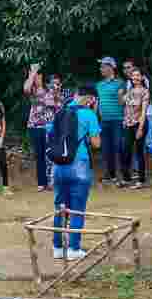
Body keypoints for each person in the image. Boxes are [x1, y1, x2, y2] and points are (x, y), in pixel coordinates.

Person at [47, 89, 103, 261]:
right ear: (91, 99)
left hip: (58, 166)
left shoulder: (60, 111)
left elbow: (50, 134)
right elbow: (96, 144)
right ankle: (73, 248)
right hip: (78, 165)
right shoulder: (88, 114)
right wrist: (93, 115)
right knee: (77, 209)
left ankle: (57, 247)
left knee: (60, 208)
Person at [23, 64, 61, 192]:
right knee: (39, 155)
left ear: (42, 76)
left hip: (49, 127)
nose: (35, 77)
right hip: (34, 126)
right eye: (33, 75)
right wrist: (32, 72)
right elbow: (26, 88)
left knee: (50, 154)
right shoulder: (33, 91)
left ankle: (52, 181)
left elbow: (58, 106)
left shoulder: (50, 90)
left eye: (37, 75)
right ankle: (41, 182)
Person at [96, 57, 125, 185]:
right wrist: (95, 117)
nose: (101, 69)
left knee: (118, 146)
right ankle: (110, 174)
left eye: (103, 66)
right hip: (104, 121)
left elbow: (122, 101)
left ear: (111, 67)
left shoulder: (120, 83)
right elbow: (98, 102)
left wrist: (121, 96)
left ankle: (122, 175)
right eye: (101, 66)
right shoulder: (99, 85)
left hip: (118, 120)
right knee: (106, 148)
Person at [120, 67, 150, 189]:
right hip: (128, 124)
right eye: (133, 76)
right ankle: (126, 178)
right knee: (126, 150)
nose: (135, 78)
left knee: (139, 152)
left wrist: (140, 128)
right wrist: (121, 95)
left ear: (142, 77)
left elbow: (143, 112)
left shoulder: (145, 91)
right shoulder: (129, 90)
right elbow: (123, 105)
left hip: (139, 124)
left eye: (137, 75)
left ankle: (141, 180)